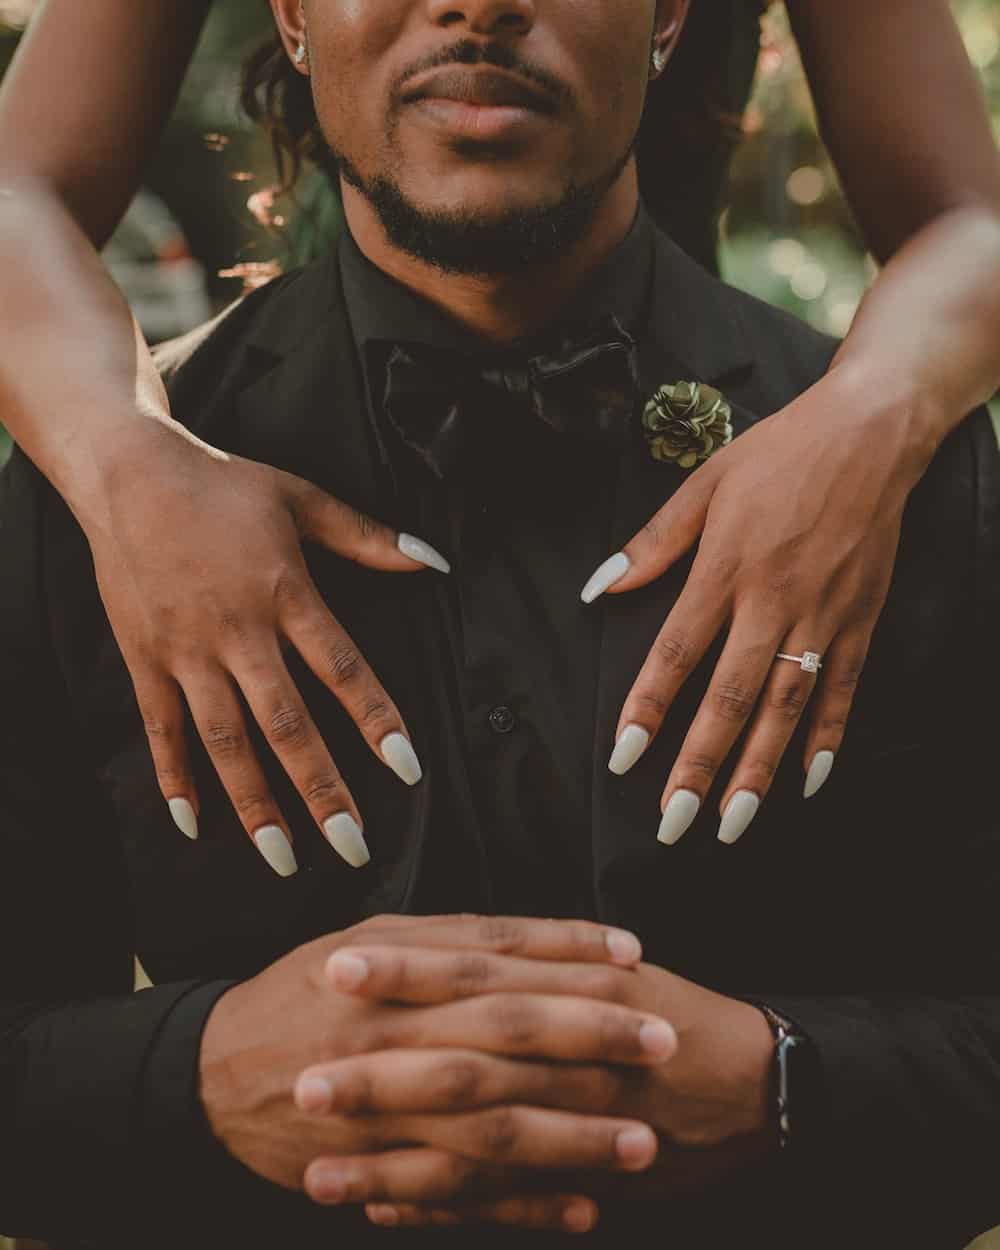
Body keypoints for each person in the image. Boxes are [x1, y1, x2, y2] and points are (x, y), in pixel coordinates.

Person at [2, 1, 999, 1247]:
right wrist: (197, 1072)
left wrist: (782, 1081)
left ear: (671, 18)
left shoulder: (902, 495)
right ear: (295, 18)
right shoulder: (96, 507)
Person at [0, 0, 998, 871]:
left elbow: (969, 218)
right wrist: (129, 464)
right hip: (314, 381)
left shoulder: (885, 467)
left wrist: (852, 430)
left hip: (690, 393)